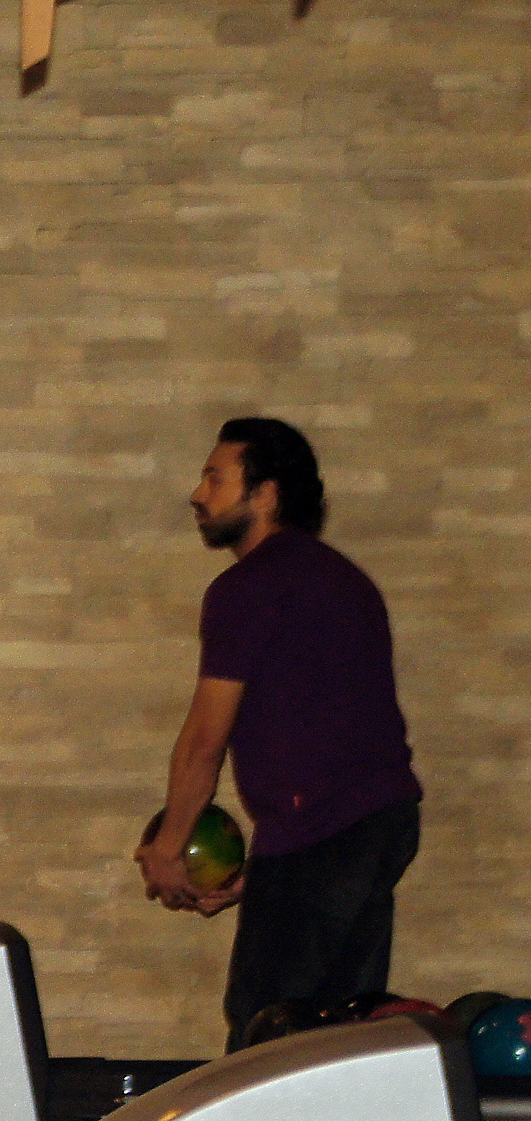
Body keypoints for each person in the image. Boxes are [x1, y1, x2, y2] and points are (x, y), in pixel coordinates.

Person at [135, 417, 421, 1048]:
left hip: (325, 831)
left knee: (267, 1027)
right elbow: (330, 733)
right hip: (374, 823)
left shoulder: (248, 588)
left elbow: (204, 738)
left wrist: (169, 846)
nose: (198, 494)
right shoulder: (343, 579)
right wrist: (269, 871)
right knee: (338, 1031)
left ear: (264, 493)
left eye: (215, 478)